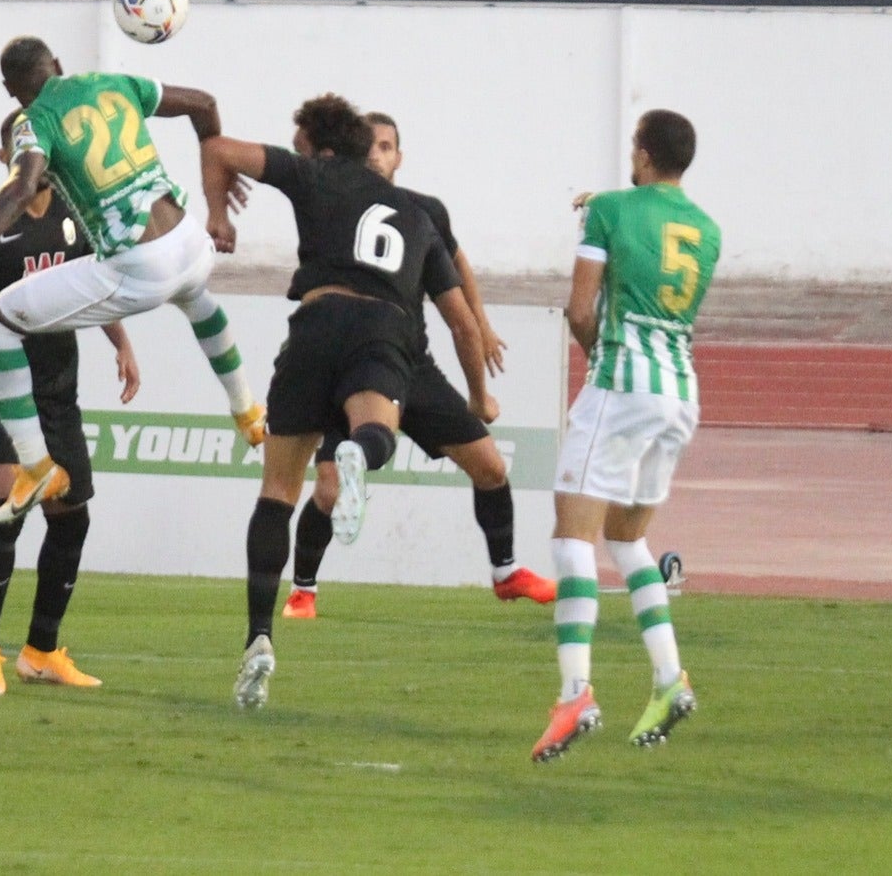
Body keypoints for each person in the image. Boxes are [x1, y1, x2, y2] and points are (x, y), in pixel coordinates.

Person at [200, 94, 493, 710]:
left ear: (317, 140)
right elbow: (463, 321)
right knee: (374, 431)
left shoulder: (314, 171)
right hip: (381, 328)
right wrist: (478, 395)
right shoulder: (417, 215)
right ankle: (363, 451)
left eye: (300, 136)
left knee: (277, 493)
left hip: (315, 322)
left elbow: (218, 148)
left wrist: (218, 215)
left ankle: (258, 638)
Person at [0, 36, 263, 524]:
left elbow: (20, 186)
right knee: (196, 298)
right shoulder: (113, 82)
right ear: (56, 63)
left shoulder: (37, 120)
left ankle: (35, 467)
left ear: (12, 91)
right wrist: (218, 195)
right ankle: (246, 407)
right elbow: (204, 105)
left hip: (142, 265)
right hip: (190, 242)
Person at [281, 112, 554, 620]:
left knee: (491, 467)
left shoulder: (422, 212)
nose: (376, 155)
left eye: (387, 146)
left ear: (399, 157)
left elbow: (457, 274)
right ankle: (303, 591)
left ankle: (506, 571)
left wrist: (483, 327)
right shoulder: (338, 203)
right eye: (371, 146)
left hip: (411, 362)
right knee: (328, 487)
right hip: (355, 359)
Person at [0, 112, 141, 694]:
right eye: (21, 152)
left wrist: (121, 343)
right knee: (8, 509)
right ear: (5, 162)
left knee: (72, 520)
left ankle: (41, 652)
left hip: (56, 393)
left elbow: (95, 286)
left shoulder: (77, 218)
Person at [531, 109, 721, 762]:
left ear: (641, 152)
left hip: (623, 385)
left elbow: (580, 309)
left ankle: (575, 691)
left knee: (571, 534)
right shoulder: (707, 229)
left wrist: (600, 361)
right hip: (680, 393)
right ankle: (670, 679)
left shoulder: (608, 210)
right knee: (627, 537)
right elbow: (650, 245)